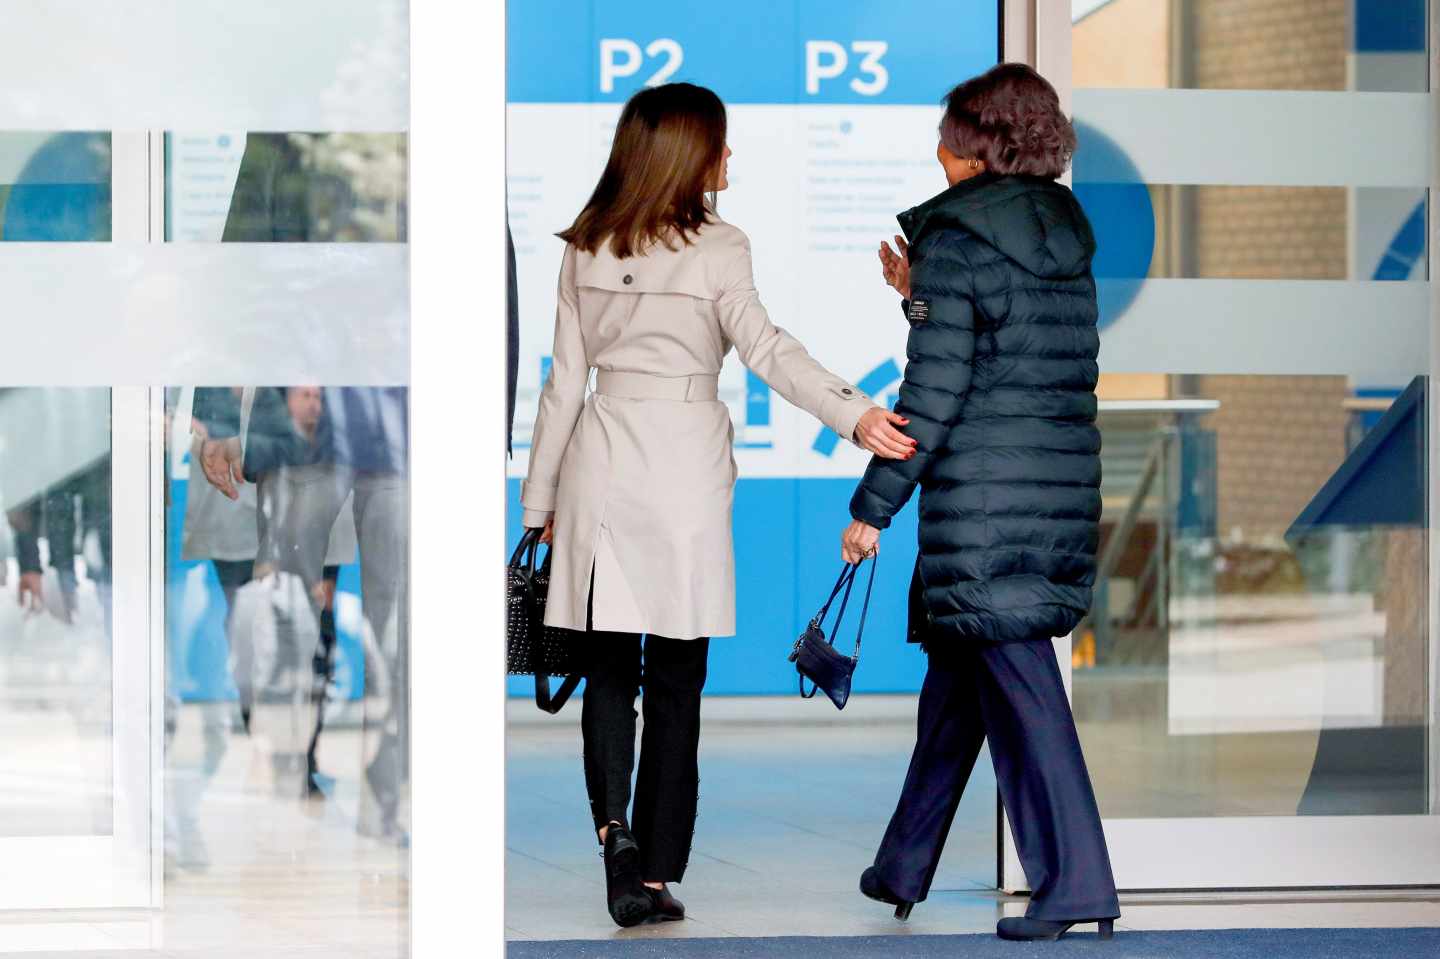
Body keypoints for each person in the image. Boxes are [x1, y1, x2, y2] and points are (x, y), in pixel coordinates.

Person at [521, 82, 915, 928]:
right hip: (684, 471)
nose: (729, 158)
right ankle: (657, 869)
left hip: (600, 459)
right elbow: (768, 350)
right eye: (722, 145)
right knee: (675, 673)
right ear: (689, 154)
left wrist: (537, 502)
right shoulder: (721, 247)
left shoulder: (585, 246)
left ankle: (615, 839)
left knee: (606, 672)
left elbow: (561, 386)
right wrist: (854, 412)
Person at [839, 63, 1121, 943]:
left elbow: (937, 391)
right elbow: (1009, 351)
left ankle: (1077, 882)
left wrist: (872, 508)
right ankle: (904, 862)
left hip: (987, 504)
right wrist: (916, 296)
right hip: (1053, 487)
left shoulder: (958, 241)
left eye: (953, 137)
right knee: (961, 681)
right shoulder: (1063, 232)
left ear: (982, 147)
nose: (939, 151)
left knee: (1027, 694)